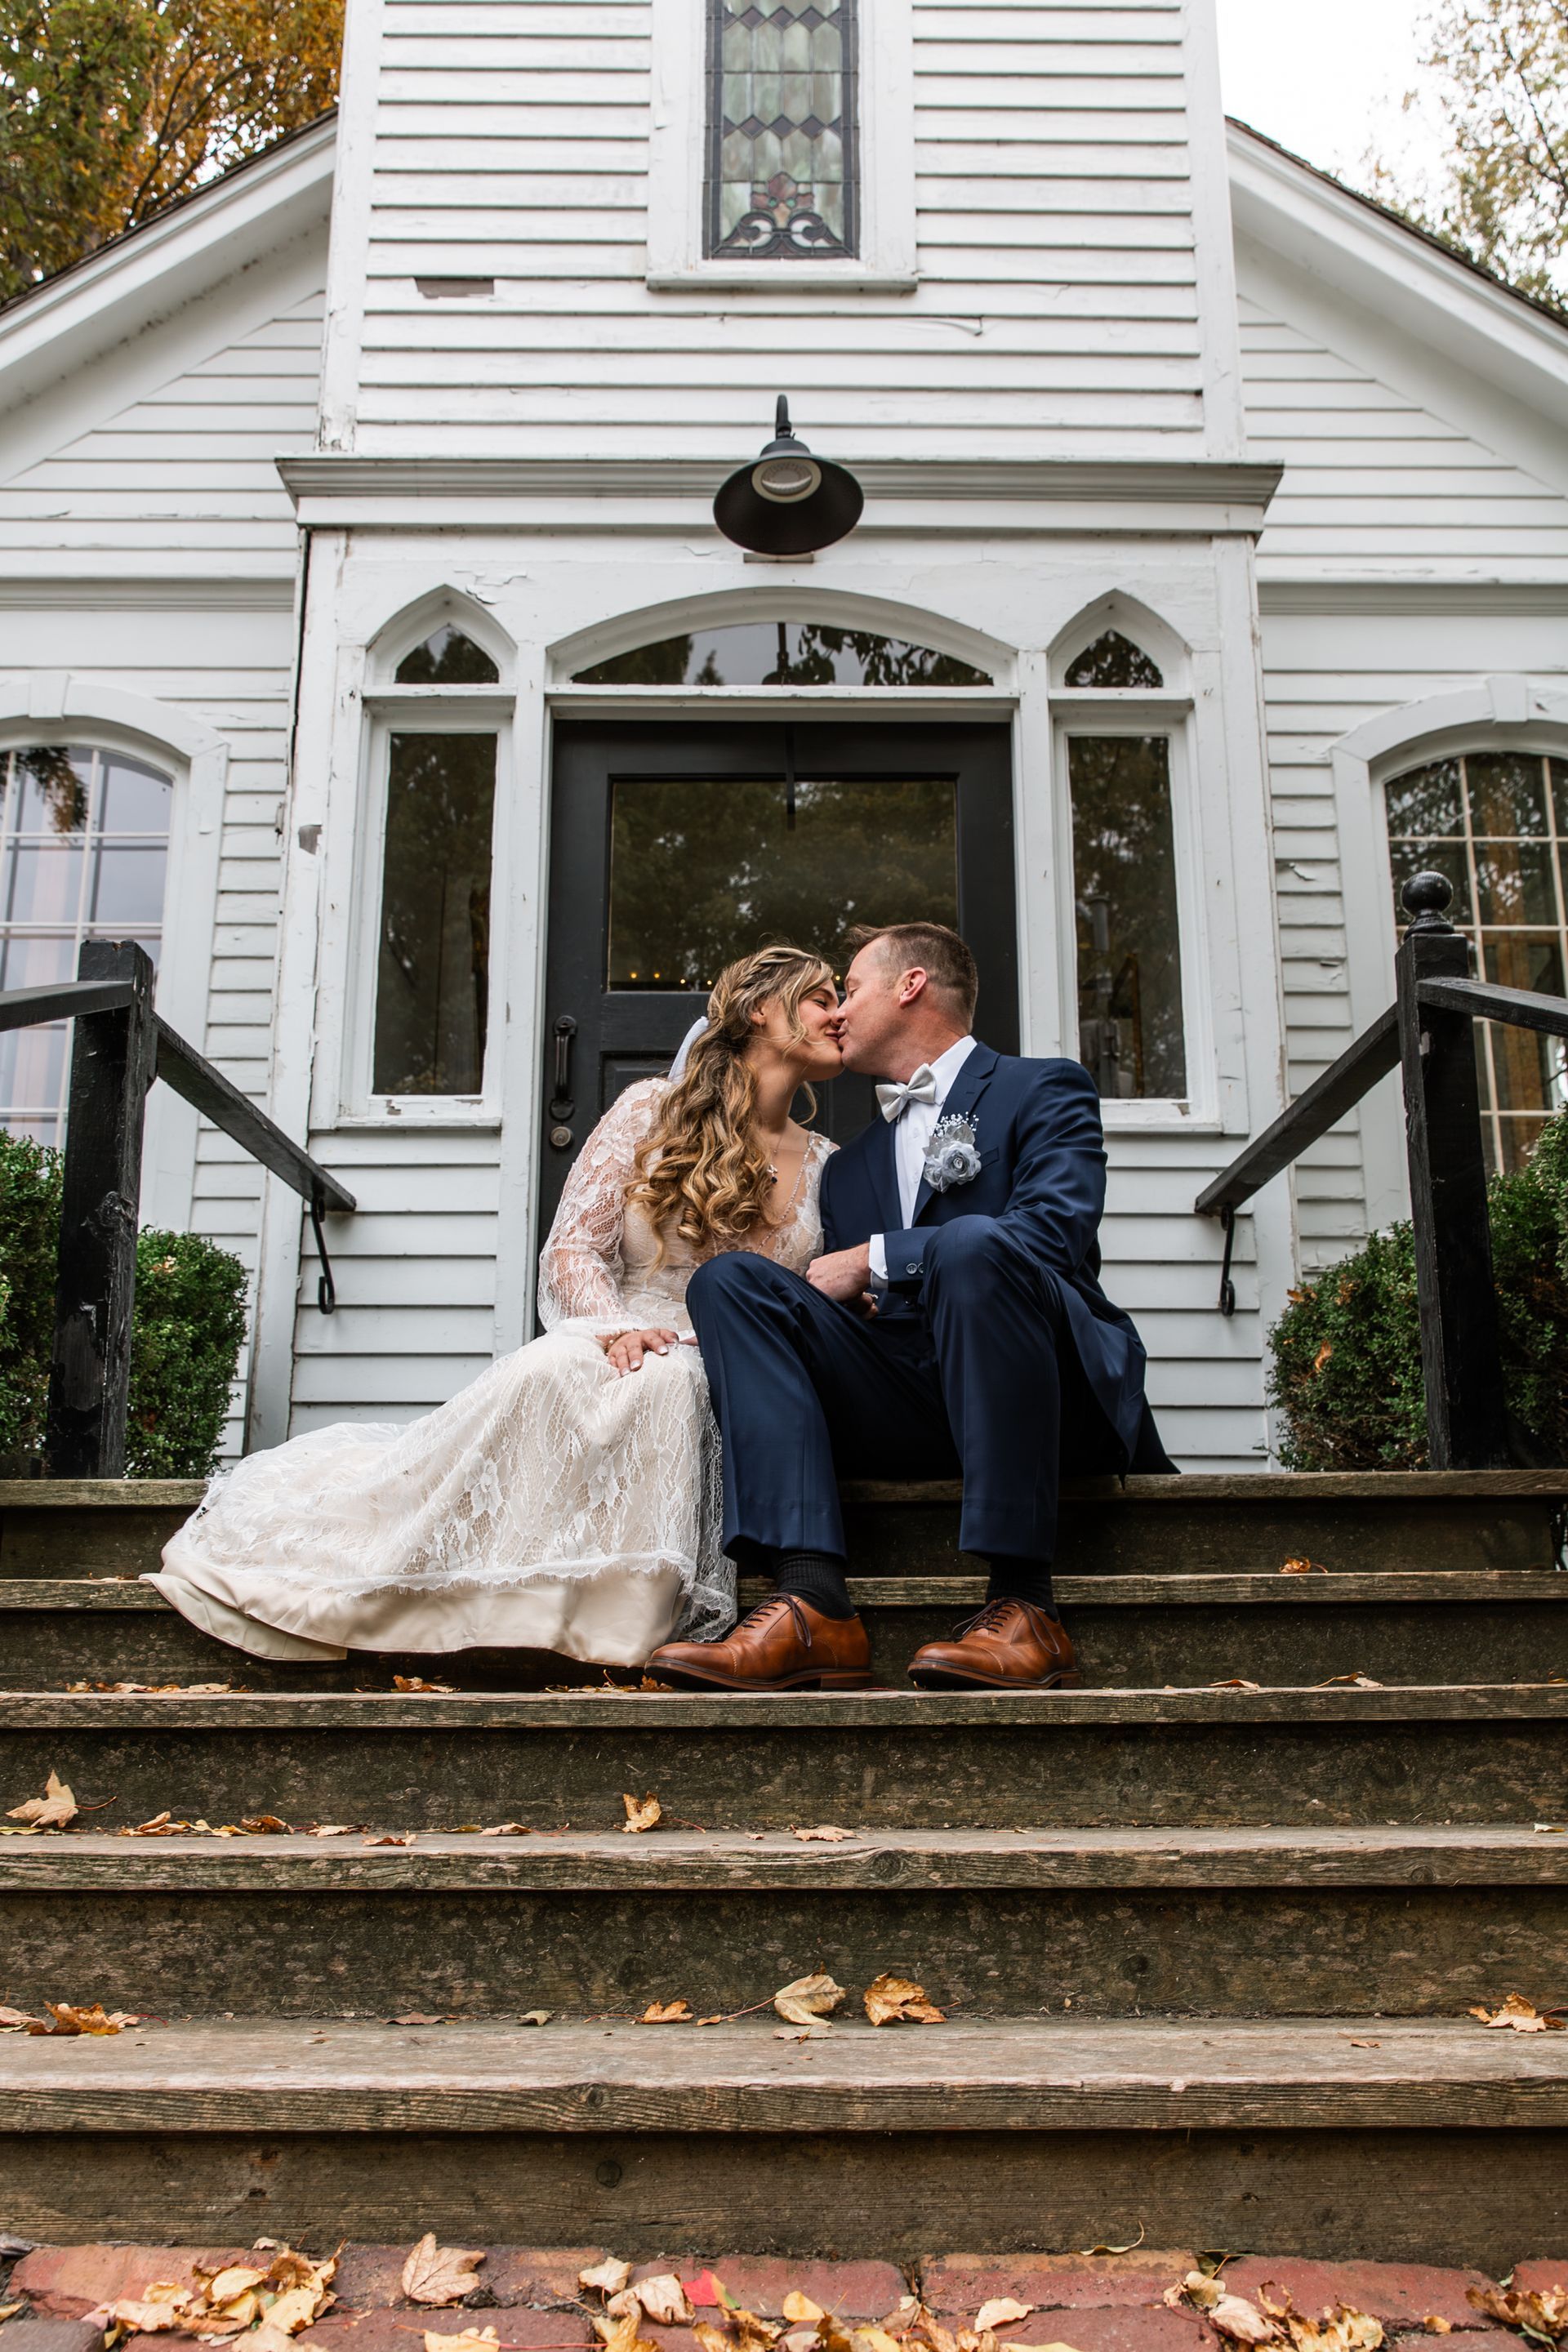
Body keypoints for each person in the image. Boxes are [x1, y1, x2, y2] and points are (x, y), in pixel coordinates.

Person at [148, 945, 843, 1668]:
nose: (840, 1014)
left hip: (726, 1368)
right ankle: (457, 1591)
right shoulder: (649, 1111)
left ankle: (608, 1621)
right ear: (762, 1009)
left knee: (668, 1386)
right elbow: (574, 1247)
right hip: (613, 1325)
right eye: (822, 997)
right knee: (548, 1369)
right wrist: (612, 1327)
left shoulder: (826, 1161)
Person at [649, 920, 1174, 1694]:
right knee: (731, 1281)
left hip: (1045, 1398)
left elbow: (1054, 1233)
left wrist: (876, 1259)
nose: (837, 1011)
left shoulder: (1044, 1087)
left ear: (911, 986)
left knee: (971, 1244)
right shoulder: (850, 1166)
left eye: (850, 989)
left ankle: (1025, 1603)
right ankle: (810, 1604)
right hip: (911, 1400)